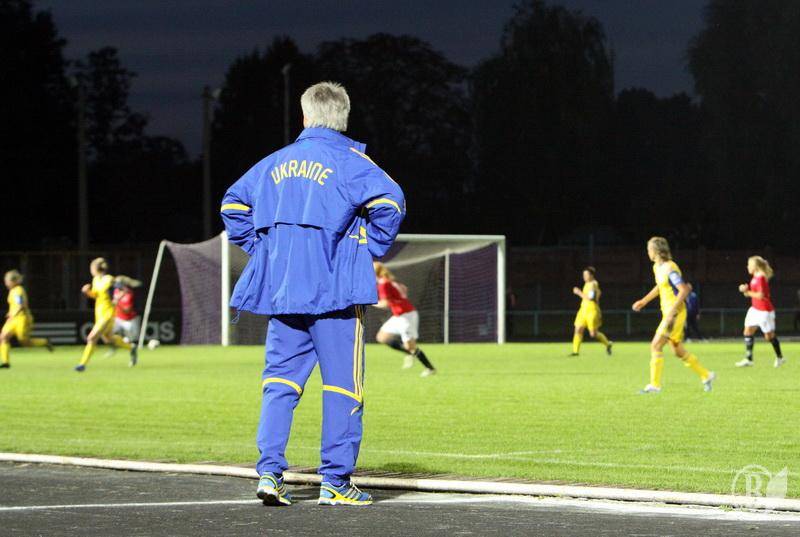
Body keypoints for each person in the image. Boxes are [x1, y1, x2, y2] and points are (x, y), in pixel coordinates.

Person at [221, 82, 404, 507]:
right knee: (343, 387)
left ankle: (270, 474)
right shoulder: (352, 161)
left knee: (279, 384)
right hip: (336, 294)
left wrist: (263, 250)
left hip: (284, 293)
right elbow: (391, 202)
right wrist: (368, 246)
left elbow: (232, 205)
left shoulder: (272, 162)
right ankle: (335, 481)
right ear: (344, 118)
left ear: (305, 117)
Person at [632, 237, 715, 393]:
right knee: (677, 350)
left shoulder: (670, 268)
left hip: (675, 313)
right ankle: (706, 375)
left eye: (649, 249)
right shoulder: (657, 267)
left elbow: (683, 290)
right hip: (669, 312)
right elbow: (660, 287)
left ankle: (655, 385)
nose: (648, 252)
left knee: (656, 345)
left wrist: (672, 312)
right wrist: (644, 301)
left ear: (656, 250)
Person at [373, 262, 436, 376]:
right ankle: (409, 353)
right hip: (399, 315)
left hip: (406, 316)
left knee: (411, 346)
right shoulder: (390, 281)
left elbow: (385, 304)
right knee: (382, 337)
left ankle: (430, 369)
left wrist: (369, 302)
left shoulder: (383, 283)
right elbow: (404, 289)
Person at [75, 258, 137, 371]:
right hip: (99, 313)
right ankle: (131, 347)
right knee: (108, 339)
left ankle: (82, 364)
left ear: (95, 268)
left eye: (91, 268)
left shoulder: (109, 279)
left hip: (108, 314)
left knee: (91, 338)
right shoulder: (95, 280)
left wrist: (117, 298)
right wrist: (87, 292)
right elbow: (96, 295)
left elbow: (124, 289)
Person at [736, 256, 785, 368]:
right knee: (747, 331)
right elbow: (753, 293)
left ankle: (780, 357)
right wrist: (746, 290)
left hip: (764, 311)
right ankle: (749, 359)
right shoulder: (755, 277)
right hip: (755, 309)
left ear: (755, 266)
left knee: (769, 336)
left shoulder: (761, 277)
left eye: (749, 264)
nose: (747, 267)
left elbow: (761, 295)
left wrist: (747, 292)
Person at [1, 270, 53, 368]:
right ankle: (5, 362)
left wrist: (13, 314)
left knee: (24, 342)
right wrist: (10, 315)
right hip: (13, 319)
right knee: (3, 337)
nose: (6, 283)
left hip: (22, 318)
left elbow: (21, 305)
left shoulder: (18, 290)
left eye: (7, 281)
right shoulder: (12, 291)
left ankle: (44, 342)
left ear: (13, 281)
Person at [570, 266, 612, 356]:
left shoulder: (593, 284)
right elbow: (598, 293)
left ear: (591, 275)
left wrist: (578, 292)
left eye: (586, 275)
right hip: (583, 310)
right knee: (578, 329)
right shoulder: (587, 284)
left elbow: (591, 298)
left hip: (592, 310)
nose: (584, 277)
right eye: (583, 275)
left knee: (593, 334)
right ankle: (575, 352)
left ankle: (608, 344)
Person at [105, 276, 142, 362]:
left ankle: (133, 356)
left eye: (118, 284)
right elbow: (113, 303)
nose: (116, 286)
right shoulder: (116, 291)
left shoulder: (129, 295)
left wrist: (117, 303)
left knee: (131, 341)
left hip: (129, 320)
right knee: (107, 333)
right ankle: (113, 348)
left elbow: (127, 310)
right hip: (118, 318)